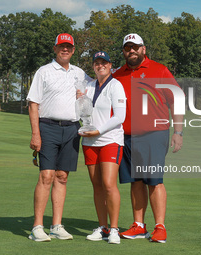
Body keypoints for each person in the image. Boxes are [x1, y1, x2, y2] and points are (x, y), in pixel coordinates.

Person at [113, 33, 183, 243]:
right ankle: (139, 225)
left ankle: (160, 226)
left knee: (154, 181)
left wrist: (178, 132)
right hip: (127, 136)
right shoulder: (118, 75)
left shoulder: (159, 70)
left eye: (135, 47)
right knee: (136, 181)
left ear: (143, 49)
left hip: (155, 134)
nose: (131, 51)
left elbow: (176, 100)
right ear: (124, 51)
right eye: (128, 48)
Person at [27, 33, 92, 242]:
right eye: (61, 46)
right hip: (48, 127)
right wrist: (35, 134)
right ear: (55, 49)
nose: (65, 50)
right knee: (46, 176)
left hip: (72, 129)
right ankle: (37, 226)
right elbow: (33, 104)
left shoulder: (80, 73)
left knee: (62, 177)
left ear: (73, 50)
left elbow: (98, 84)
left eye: (69, 47)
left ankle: (56, 225)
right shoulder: (44, 72)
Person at [79, 51, 126, 244]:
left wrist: (98, 131)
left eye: (104, 63)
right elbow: (83, 110)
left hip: (110, 140)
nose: (100, 66)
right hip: (89, 142)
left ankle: (114, 229)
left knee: (108, 184)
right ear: (93, 66)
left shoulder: (116, 86)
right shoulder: (88, 86)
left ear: (110, 65)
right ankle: (102, 227)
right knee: (97, 186)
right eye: (97, 63)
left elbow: (120, 117)